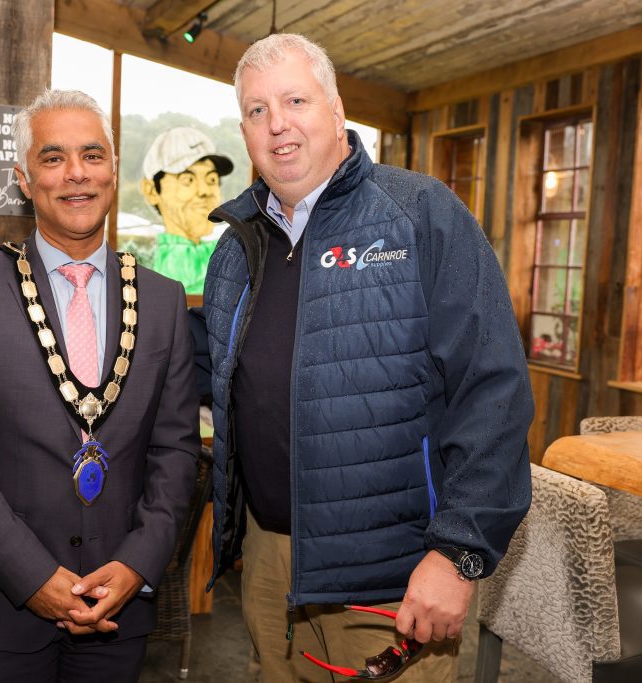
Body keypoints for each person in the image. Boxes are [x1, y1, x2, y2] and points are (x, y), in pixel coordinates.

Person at [201, 34, 534, 682]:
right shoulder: (236, 248)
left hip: (392, 571)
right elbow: (203, 364)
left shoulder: (419, 214)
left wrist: (459, 552)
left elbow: (491, 389)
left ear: (336, 108)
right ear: (244, 128)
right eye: (257, 110)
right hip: (270, 561)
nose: (279, 124)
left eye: (295, 99)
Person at [0, 89, 199, 683]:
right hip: (0, 608)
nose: (77, 173)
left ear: (113, 170)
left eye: (92, 155)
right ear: (23, 177)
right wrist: (34, 578)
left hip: (118, 606)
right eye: (53, 157)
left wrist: (138, 563)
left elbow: (176, 451)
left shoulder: (164, 300)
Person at [139, 126, 233, 295]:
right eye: (188, 179)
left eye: (211, 179)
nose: (204, 191)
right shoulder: (169, 265)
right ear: (151, 190)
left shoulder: (219, 251)